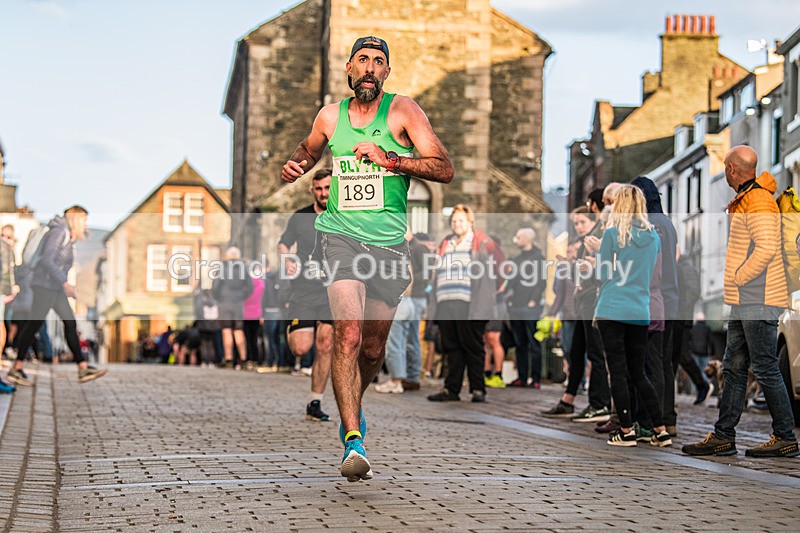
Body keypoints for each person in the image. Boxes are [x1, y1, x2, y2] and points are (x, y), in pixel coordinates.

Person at [281, 35, 454, 482]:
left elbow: (444, 167)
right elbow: (309, 148)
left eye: (379, 62)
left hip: (390, 245)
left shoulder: (403, 111)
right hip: (339, 237)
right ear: (349, 69)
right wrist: (296, 163)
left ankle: (352, 401)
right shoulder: (330, 115)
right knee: (349, 333)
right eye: (364, 60)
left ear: (387, 73)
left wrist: (392, 160)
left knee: (373, 348)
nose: (371, 68)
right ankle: (353, 437)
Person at [683, 145, 799, 458]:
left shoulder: (758, 199)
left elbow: (766, 248)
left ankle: (786, 436)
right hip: (746, 298)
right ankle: (724, 435)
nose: (724, 173)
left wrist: (739, 276)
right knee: (734, 367)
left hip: (758, 297)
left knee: (764, 367)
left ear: (733, 169)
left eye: (725, 167)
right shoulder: (747, 198)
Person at [593, 185, 672, 447]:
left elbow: (602, 274)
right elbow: (653, 275)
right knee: (639, 373)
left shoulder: (612, 234)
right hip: (640, 310)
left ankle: (626, 430)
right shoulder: (653, 238)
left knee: (618, 372)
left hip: (612, 308)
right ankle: (660, 429)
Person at [7, 206, 107, 385]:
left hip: (53, 287)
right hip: (45, 286)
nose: (86, 224)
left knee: (69, 322)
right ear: (76, 219)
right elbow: (47, 259)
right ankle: (17, 367)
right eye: (84, 220)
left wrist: (63, 284)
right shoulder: (59, 232)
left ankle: (82, 366)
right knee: (34, 325)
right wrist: (65, 283)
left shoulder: (67, 235)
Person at [428, 205, 504, 404]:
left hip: (470, 302)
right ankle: (451, 389)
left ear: (470, 222)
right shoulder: (446, 242)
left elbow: (501, 266)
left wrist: (491, 292)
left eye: (460, 220)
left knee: (473, 346)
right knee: (451, 347)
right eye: (453, 220)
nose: (456, 224)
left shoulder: (481, 242)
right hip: (446, 300)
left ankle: (478, 389)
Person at [541, 206, 611, 423]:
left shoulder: (598, 238)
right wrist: (570, 265)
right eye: (576, 223)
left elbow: (604, 271)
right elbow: (580, 274)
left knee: (595, 354)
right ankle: (568, 399)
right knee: (575, 352)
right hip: (582, 303)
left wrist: (589, 263)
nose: (578, 227)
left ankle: (599, 404)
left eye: (582, 222)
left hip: (593, 303)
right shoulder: (584, 242)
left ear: (593, 221)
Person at [278, 168, 335, 420]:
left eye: (327, 188)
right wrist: (287, 258)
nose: (323, 193)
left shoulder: (344, 216)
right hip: (303, 289)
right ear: (313, 190)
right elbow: (283, 242)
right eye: (319, 188)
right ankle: (289, 326)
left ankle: (315, 402)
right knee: (302, 348)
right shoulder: (300, 217)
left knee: (325, 345)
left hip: (332, 290)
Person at [631, 176, 680, 436]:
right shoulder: (667, 222)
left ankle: (653, 420)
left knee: (653, 361)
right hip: (671, 297)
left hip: (657, 297)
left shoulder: (652, 224)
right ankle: (667, 417)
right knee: (664, 361)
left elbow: (652, 267)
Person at [375, 231, 430, 393]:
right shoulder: (405, 253)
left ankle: (396, 380)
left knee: (394, 344)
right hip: (409, 301)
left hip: (401, 302)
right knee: (411, 341)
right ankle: (412, 377)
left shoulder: (399, 252)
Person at [505, 227, 546, 388]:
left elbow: (541, 281)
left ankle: (535, 379)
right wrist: (509, 297)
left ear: (528, 239)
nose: (516, 239)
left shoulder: (539, 258)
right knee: (520, 344)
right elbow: (512, 281)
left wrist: (534, 300)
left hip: (530, 307)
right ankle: (522, 377)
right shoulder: (517, 259)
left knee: (533, 343)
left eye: (519, 237)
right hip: (516, 305)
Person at [211, 246, 254, 369]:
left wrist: (219, 297)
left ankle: (228, 358)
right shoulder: (243, 269)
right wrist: (242, 296)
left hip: (224, 302)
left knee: (226, 330)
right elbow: (250, 287)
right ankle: (244, 358)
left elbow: (215, 286)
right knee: (239, 330)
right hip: (238, 303)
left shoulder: (222, 268)